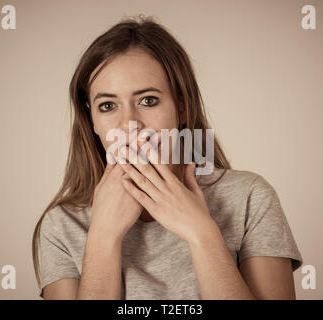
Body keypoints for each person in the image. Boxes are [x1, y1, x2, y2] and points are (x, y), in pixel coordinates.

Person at [32, 15, 303, 300]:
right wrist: (101, 239)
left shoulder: (250, 198)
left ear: (182, 106)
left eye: (148, 100)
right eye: (108, 105)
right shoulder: (61, 225)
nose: (130, 124)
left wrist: (202, 233)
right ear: (92, 120)